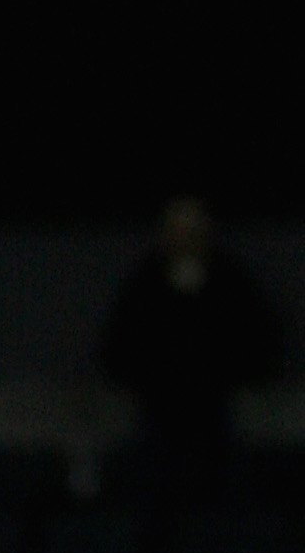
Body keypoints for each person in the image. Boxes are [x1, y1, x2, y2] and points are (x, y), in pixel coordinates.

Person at [98, 194, 278, 504]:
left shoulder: (230, 279)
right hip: (157, 409)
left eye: (194, 229)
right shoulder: (146, 281)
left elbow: (257, 341)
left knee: (220, 494)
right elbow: (120, 344)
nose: (186, 237)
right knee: (155, 489)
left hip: (217, 408)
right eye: (178, 229)